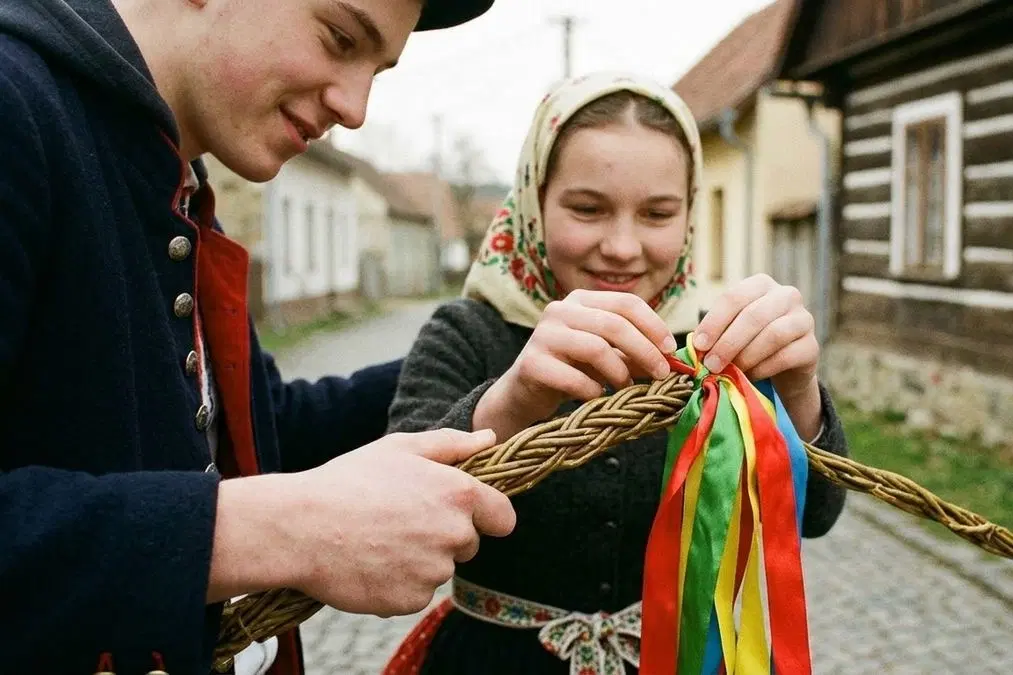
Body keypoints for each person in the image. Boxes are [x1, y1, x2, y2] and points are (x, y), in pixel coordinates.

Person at [0, 1, 518, 674]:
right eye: (339, 38)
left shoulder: (174, 178)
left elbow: (261, 429)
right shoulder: (17, 108)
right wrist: (281, 529)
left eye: (377, 70)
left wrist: (492, 365)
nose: (355, 108)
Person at [383, 72, 851, 674]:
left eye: (658, 214)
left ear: (688, 216)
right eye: (587, 209)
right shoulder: (467, 333)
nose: (623, 247)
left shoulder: (716, 347)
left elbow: (815, 515)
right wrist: (516, 397)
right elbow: (398, 514)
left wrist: (798, 390)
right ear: (534, 202)